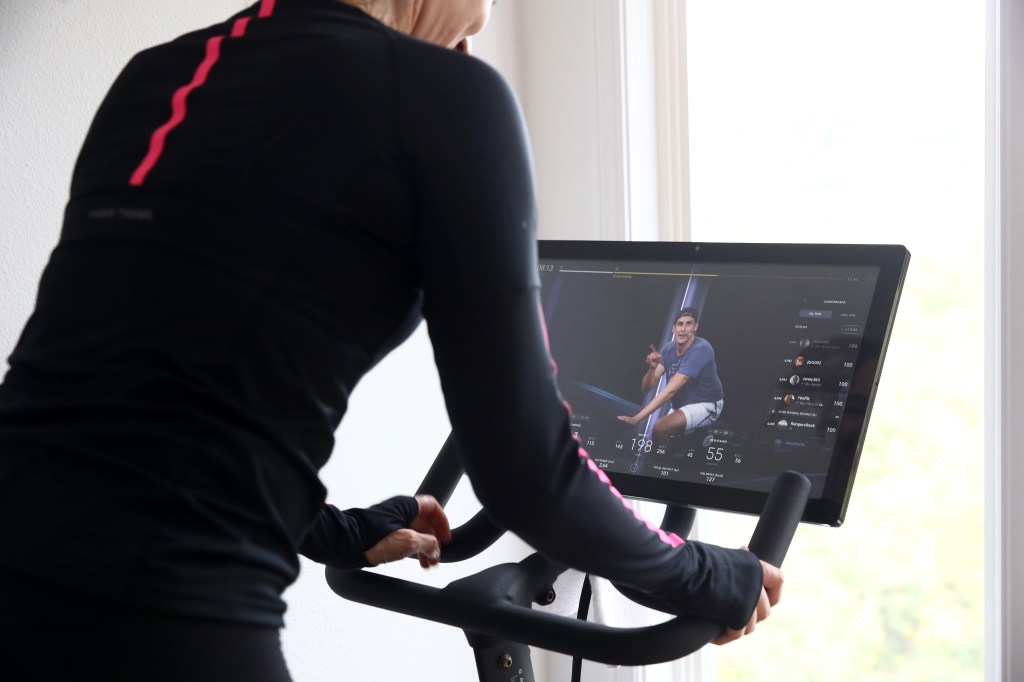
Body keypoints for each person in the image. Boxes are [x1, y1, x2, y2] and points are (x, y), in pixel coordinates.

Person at [0, 1, 782, 679]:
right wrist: (706, 578)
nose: (477, 34)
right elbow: (526, 470)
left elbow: (141, 391)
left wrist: (343, 531)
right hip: (156, 602)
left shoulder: (159, 75)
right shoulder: (448, 95)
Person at [618, 308, 725, 439]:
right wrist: (652, 369)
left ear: (695, 327)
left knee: (660, 428)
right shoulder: (668, 349)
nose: (683, 329)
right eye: (680, 324)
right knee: (660, 436)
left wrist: (636, 418)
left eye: (688, 324)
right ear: (673, 328)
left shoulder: (701, 349)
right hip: (681, 405)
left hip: (706, 404)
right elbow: (646, 388)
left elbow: (670, 391)